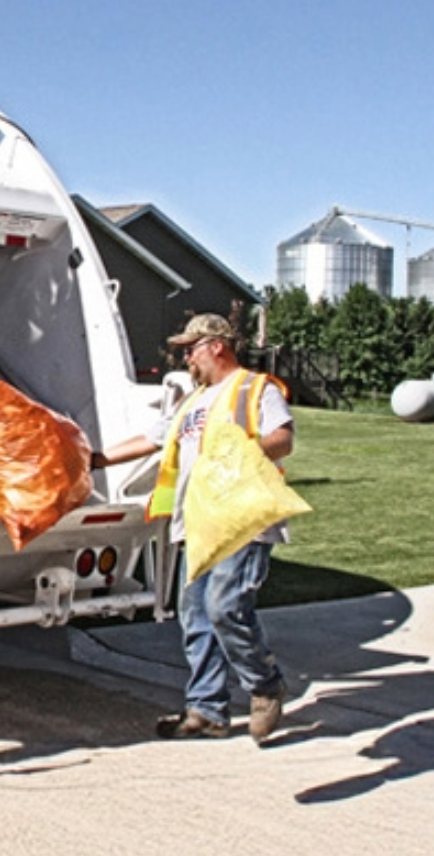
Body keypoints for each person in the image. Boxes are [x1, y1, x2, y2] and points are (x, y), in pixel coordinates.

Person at [91, 313, 295, 743]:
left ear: (217, 346)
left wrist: (238, 453)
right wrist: (95, 460)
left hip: (242, 519)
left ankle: (265, 685)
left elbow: (283, 438)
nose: (186, 357)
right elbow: (150, 440)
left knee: (225, 608)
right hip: (198, 523)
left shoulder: (255, 389)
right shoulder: (190, 403)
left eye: (191, 348)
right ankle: (207, 711)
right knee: (196, 617)